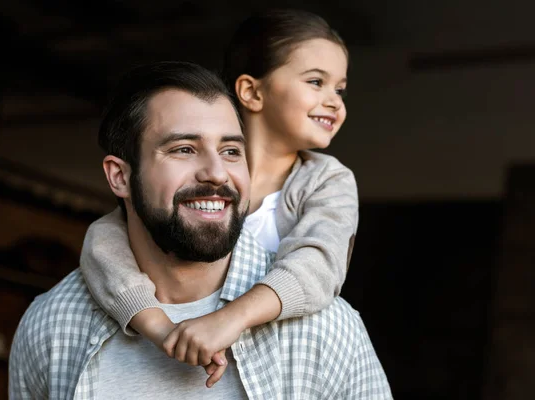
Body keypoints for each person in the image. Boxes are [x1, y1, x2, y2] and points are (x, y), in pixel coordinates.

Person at [8, 61, 392, 399]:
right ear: (120, 177)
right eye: (183, 149)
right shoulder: (51, 324)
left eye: (230, 151)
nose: (216, 173)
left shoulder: (326, 330)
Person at [79, 9, 361, 385]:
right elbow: (103, 242)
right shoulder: (198, 182)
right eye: (316, 82)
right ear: (251, 92)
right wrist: (159, 327)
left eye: (339, 89)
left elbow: (320, 264)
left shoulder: (328, 181)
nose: (334, 101)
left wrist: (231, 318)